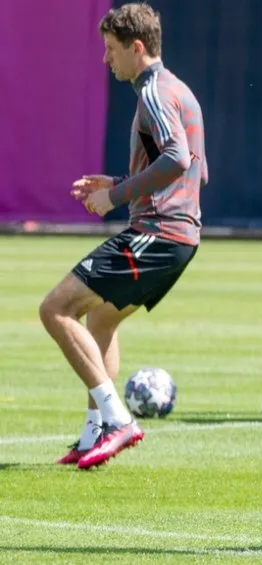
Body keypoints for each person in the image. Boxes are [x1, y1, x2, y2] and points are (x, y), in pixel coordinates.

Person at [40, 2, 207, 470]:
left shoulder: (153, 91)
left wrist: (116, 199)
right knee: (100, 323)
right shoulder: (179, 90)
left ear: (137, 48)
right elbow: (193, 168)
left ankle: (119, 421)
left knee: (55, 309)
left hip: (156, 235)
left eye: (112, 50)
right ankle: (94, 433)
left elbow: (175, 159)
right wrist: (117, 182)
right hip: (178, 239)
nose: (105, 59)